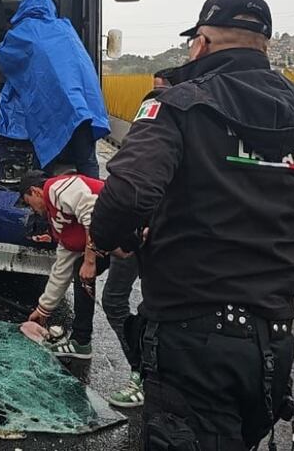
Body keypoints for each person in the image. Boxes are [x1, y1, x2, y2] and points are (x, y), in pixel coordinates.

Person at [90, 0, 294, 450]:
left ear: (203, 42)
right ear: (265, 45)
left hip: (192, 333)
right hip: (271, 340)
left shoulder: (179, 104)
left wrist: (110, 239)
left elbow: (129, 192)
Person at [101, 68, 173, 409]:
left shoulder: (187, 122)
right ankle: (140, 369)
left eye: (164, 88)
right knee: (116, 301)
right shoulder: (151, 114)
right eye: (155, 88)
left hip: (158, 242)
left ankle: (147, 376)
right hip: (133, 236)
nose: (156, 93)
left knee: (157, 310)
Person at [0, 0, 109, 179]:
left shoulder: (24, 31)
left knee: (45, 163)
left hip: (52, 108)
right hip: (83, 107)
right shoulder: (65, 28)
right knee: (87, 162)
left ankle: (41, 202)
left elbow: (4, 56)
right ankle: (94, 203)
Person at [18, 170, 114, 360]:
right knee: (82, 275)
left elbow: (93, 212)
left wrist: (89, 260)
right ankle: (81, 342)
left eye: (30, 204)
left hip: (133, 230)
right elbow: (61, 269)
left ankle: (146, 369)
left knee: (115, 303)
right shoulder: (58, 223)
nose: (34, 211)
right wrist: (43, 308)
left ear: (35, 191)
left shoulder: (57, 188)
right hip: (116, 241)